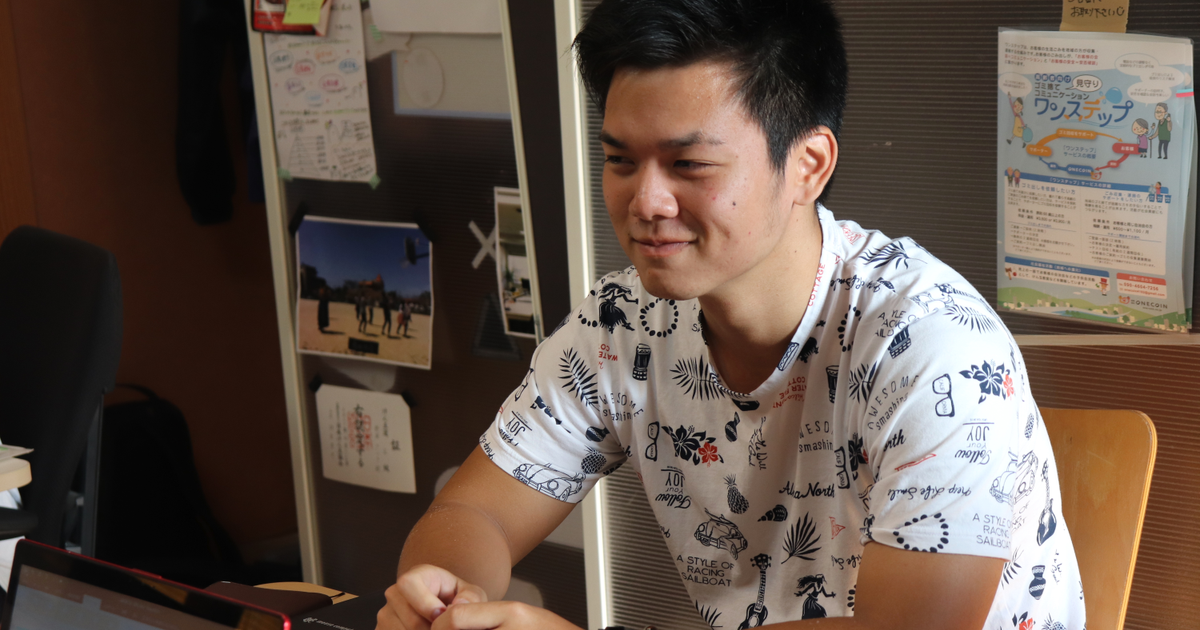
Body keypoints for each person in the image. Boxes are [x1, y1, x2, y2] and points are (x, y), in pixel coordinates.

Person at [377, 2, 1084, 629]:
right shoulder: (622, 325)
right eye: (621, 160)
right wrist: (446, 593)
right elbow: (473, 511)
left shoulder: (933, 345)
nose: (645, 202)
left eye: (688, 165)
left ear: (808, 164)